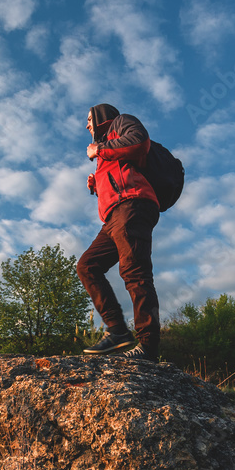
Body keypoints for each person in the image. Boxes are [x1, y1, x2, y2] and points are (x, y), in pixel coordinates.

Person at [77, 103, 160, 361]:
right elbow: (119, 173)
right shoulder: (107, 151)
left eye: (89, 118)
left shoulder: (121, 123)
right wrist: (97, 182)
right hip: (114, 216)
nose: (87, 124)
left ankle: (147, 347)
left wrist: (100, 149)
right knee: (87, 265)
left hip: (132, 204)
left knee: (134, 271)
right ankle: (117, 331)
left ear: (101, 115)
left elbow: (140, 142)